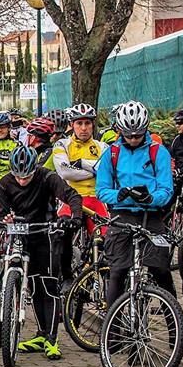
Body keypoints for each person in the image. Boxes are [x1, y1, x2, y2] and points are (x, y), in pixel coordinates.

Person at [0, 145, 82, 360]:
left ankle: (51, 339)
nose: (22, 181)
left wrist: (75, 216)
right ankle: (41, 334)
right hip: (21, 236)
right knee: (33, 286)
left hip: (45, 234)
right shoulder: (6, 182)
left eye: (27, 177)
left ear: (35, 169)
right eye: (18, 177)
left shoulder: (47, 177)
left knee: (48, 286)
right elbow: (1, 211)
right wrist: (3, 218)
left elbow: (72, 196)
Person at [95, 100, 176, 306]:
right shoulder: (111, 154)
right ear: (120, 131)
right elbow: (101, 190)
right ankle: (111, 334)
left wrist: (151, 198)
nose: (132, 139)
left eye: (138, 135)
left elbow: (166, 189)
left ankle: (175, 326)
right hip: (122, 215)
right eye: (128, 135)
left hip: (152, 215)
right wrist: (118, 195)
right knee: (118, 271)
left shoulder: (158, 152)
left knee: (161, 270)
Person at [53, 103, 109, 288]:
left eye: (87, 123)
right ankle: (67, 277)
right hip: (71, 198)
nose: (83, 128)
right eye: (79, 124)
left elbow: (108, 171)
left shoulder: (103, 146)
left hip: (96, 199)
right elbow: (65, 172)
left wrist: (80, 164)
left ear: (93, 125)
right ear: (72, 125)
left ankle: (108, 285)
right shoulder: (63, 144)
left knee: (108, 243)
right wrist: (94, 171)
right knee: (62, 235)